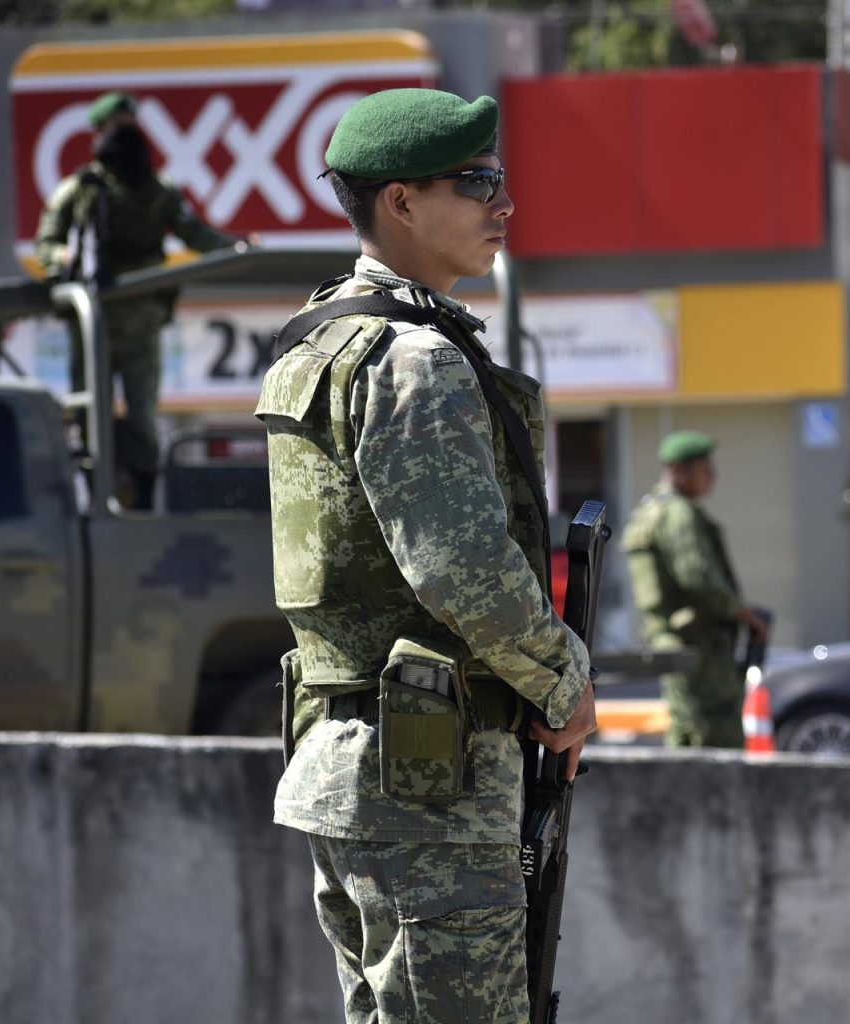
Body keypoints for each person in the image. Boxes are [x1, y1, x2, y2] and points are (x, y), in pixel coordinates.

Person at [254, 88, 596, 1024]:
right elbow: (458, 567)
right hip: (426, 789)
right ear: (401, 203)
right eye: (478, 181)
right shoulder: (415, 358)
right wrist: (565, 682)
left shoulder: (317, 339)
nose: (504, 205)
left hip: (356, 767)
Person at [33, 90, 243, 509]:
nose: (125, 137)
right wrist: (68, 257)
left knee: (142, 416)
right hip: (93, 319)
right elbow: (47, 244)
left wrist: (235, 248)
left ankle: (142, 502)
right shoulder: (80, 190)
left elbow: (194, 233)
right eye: (117, 129)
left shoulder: (158, 189)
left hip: (141, 318)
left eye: (130, 128)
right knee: (92, 414)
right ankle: (97, 496)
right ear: (98, 133)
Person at [623, 430, 767, 748]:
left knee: (689, 726)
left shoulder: (652, 510)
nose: (712, 476)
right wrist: (745, 615)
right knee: (713, 734)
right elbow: (698, 577)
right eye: (705, 468)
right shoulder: (679, 514)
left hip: (681, 644)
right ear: (679, 469)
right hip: (701, 645)